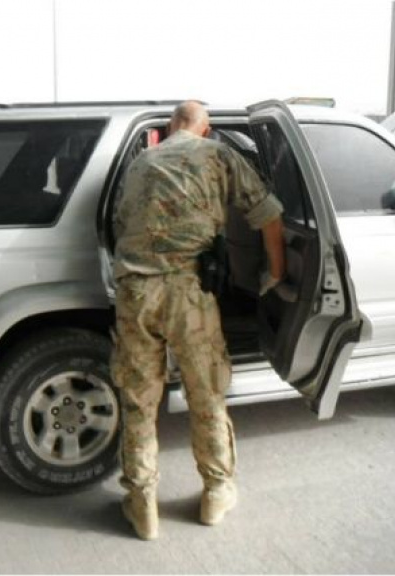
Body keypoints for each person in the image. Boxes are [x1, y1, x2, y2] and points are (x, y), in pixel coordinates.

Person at [111, 101, 285, 540]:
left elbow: (118, 224)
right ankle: (215, 493)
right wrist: (276, 272)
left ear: (171, 127)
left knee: (139, 400)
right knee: (206, 394)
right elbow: (268, 214)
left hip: (135, 293)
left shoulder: (140, 162)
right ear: (205, 130)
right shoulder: (219, 154)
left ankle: (142, 504)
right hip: (189, 293)